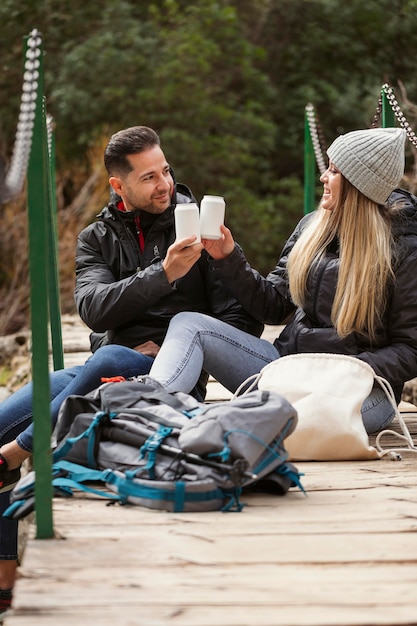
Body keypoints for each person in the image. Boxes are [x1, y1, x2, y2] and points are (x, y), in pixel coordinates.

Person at [0, 126, 262, 610]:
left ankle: (21, 451)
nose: (164, 184)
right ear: (118, 186)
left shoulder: (200, 227)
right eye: (148, 177)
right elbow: (94, 309)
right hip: (105, 368)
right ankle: (5, 580)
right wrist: (163, 274)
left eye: (165, 171)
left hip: (169, 379)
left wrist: (172, 343)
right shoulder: (95, 238)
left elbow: (239, 319)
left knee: (109, 358)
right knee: (63, 381)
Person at [148, 127, 417, 435]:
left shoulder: (405, 250)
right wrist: (227, 257)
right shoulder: (312, 227)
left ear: (359, 184)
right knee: (189, 324)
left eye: (334, 171)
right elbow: (273, 307)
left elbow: (411, 348)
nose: (323, 178)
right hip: (289, 367)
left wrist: (345, 371)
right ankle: (149, 409)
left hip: (359, 391)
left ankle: (217, 423)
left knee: (280, 420)